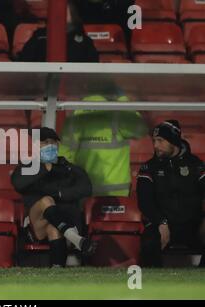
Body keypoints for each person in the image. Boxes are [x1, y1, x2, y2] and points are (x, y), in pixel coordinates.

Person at [11, 127, 96, 267]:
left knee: (54, 228)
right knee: (46, 200)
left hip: (63, 223)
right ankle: (77, 240)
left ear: (58, 145)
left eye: (52, 142)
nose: (49, 146)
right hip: (37, 225)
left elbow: (86, 188)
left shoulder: (69, 169)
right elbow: (17, 183)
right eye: (44, 142)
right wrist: (44, 168)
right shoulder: (28, 168)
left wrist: (60, 194)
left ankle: (57, 270)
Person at [137, 120, 205, 267]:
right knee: (149, 242)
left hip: (192, 225)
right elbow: (144, 202)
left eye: (160, 141)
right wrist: (161, 222)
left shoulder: (196, 165)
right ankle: (153, 285)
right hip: (161, 224)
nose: (156, 146)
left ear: (174, 140)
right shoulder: (149, 168)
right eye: (154, 141)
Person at [59, 94, 148, 196]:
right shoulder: (118, 114)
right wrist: (123, 100)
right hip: (117, 193)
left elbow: (64, 155)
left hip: (84, 191)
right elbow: (140, 129)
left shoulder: (77, 115)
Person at [17, 0, 99, 63]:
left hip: (75, 83)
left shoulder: (84, 41)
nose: (61, 13)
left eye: (65, 10)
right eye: (58, 10)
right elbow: (25, 61)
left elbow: (93, 68)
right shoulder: (39, 36)